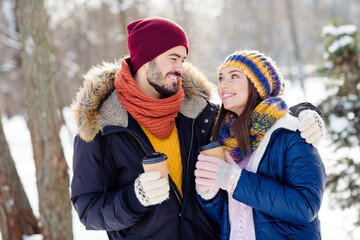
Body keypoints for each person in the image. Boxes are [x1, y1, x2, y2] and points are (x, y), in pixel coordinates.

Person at [70, 17, 324, 240]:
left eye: (182, 59)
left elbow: (256, 112)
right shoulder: (101, 127)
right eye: (173, 58)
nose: (180, 67)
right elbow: (88, 209)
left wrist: (303, 111)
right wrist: (135, 198)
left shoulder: (199, 113)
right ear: (147, 59)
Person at [194, 50, 327, 240]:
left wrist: (235, 180)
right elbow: (232, 214)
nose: (224, 85)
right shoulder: (224, 139)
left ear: (258, 85)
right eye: (221, 78)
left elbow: (306, 206)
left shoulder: (290, 132)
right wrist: (209, 196)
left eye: (234, 76)